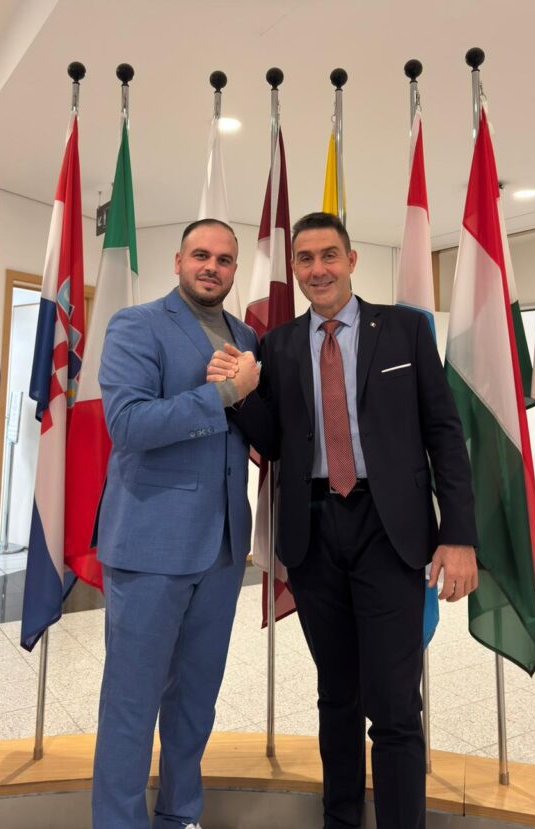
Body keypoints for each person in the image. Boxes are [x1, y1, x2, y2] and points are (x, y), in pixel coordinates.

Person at [208, 212, 478, 829]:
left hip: (391, 531)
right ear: (295, 268)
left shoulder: (406, 330)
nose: (318, 269)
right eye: (305, 259)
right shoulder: (277, 344)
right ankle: (341, 819)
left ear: (352, 260)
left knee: (394, 705)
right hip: (313, 531)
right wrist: (240, 394)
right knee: (336, 696)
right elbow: (273, 443)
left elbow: (444, 433)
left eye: (329, 255)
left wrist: (458, 534)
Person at [92, 219, 260, 829]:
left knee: (194, 702)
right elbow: (129, 425)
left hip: (222, 547)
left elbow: (251, 427)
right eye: (200, 255)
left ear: (235, 269)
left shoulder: (246, 337)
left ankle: (180, 816)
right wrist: (223, 395)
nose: (211, 266)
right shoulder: (136, 325)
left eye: (224, 259)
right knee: (132, 705)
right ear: (178, 260)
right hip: (150, 544)